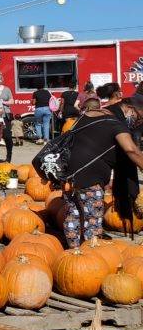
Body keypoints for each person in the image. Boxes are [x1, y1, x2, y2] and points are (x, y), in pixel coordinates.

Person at [60, 99, 143, 247]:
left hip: (68, 174)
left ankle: (74, 252)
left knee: (73, 216)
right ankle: (90, 256)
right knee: (93, 222)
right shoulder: (115, 123)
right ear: (129, 109)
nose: (136, 122)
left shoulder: (88, 116)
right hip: (91, 179)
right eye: (138, 117)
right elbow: (131, 150)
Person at [0, 73, 15, 163]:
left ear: (1, 80)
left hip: (5, 115)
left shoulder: (6, 89)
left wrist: (3, 102)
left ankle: (9, 155)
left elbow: (12, 101)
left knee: (7, 136)